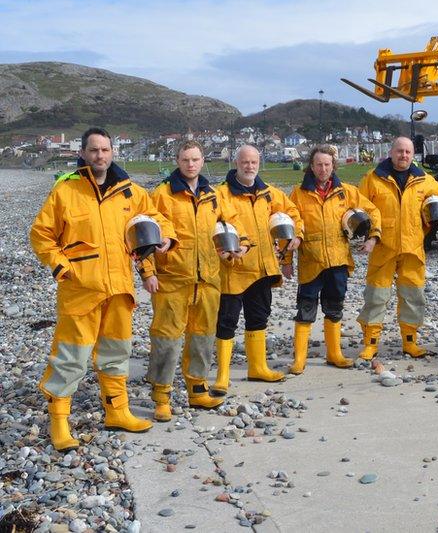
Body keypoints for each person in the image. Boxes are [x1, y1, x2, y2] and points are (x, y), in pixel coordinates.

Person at [30, 127, 175, 450]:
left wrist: (163, 236)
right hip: (80, 289)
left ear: (113, 152)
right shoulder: (65, 190)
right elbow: (41, 235)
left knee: (116, 353)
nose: (100, 156)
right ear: (82, 153)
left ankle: (117, 411)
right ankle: (59, 422)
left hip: (119, 289)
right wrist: (61, 267)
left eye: (105, 150)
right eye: (94, 150)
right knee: (71, 357)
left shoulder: (130, 192)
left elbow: (155, 217)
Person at [142, 140, 243, 421]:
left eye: (195, 159)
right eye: (185, 159)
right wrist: (148, 273)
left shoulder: (213, 194)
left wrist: (239, 245)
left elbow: (231, 222)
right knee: (166, 338)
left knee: (202, 336)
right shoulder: (161, 195)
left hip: (208, 278)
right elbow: (145, 234)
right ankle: (161, 396)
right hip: (172, 279)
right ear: (177, 160)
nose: (191, 164)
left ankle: (197, 389)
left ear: (202, 160)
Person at [212, 145, 303, 396]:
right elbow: (214, 224)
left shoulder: (270, 193)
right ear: (235, 163)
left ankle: (258, 367)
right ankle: (222, 375)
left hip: (264, 268)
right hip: (234, 269)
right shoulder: (221, 194)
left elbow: (293, 213)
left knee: (259, 317)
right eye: (245, 162)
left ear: (259, 163)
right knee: (227, 320)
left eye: (253, 162)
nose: (249, 167)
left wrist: (297, 235)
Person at [357, 136, 438, 359]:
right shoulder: (373, 178)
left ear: (413, 155)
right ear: (391, 153)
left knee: (412, 296)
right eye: (399, 151)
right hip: (383, 247)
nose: (404, 155)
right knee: (376, 296)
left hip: (412, 247)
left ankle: (410, 342)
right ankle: (370, 343)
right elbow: (359, 205)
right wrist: (368, 235)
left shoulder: (424, 180)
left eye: (408, 152)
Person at [287, 145, 380, 373]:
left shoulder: (346, 192)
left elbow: (373, 211)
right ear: (311, 165)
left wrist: (372, 237)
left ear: (333, 165)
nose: (323, 169)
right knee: (305, 309)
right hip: (311, 262)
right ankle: (299, 359)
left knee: (334, 306)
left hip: (338, 261)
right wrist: (286, 260)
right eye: (318, 164)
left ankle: (334, 353)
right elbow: (289, 227)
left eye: (327, 164)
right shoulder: (298, 194)